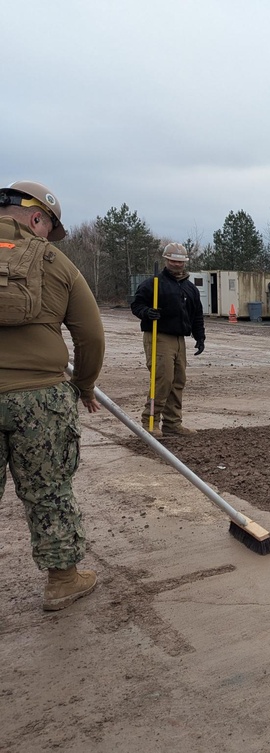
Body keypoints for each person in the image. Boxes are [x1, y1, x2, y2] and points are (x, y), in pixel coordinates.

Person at [0, 180, 105, 610]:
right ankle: (62, 581)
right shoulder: (54, 261)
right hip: (40, 397)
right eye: (49, 228)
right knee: (49, 491)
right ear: (37, 218)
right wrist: (83, 385)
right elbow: (91, 336)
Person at [130, 243, 205, 436]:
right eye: (173, 260)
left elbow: (197, 315)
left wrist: (200, 336)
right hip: (159, 335)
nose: (176, 264)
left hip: (180, 338)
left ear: (185, 262)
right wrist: (146, 312)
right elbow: (136, 304)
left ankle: (172, 423)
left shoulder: (190, 288)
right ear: (166, 260)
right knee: (163, 379)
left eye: (180, 261)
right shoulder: (153, 284)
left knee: (178, 380)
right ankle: (150, 422)